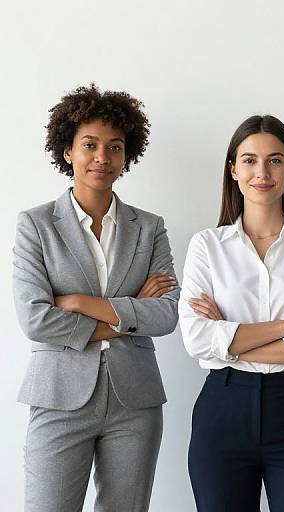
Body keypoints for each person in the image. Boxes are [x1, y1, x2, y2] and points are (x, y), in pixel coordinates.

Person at [13, 84, 180, 511]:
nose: (102, 157)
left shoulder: (149, 226)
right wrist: (127, 316)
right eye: (90, 144)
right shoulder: (35, 225)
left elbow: (166, 315)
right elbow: (35, 319)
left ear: (127, 155)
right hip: (59, 395)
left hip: (135, 402)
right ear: (68, 150)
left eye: (115, 147)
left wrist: (74, 301)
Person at [178, 115, 284, 512]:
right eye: (249, 160)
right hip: (223, 411)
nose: (262, 172)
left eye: (274, 160)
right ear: (233, 170)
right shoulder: (207, 245)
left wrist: (228, 339)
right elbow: (197, 340)